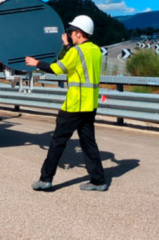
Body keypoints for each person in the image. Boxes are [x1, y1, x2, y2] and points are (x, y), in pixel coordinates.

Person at [25, 15, 107, 192]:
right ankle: (98, 181)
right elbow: (79, 65)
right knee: (88, 144)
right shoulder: (96, 50)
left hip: (73, 106)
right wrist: (68, 46)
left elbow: (58, 68)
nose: (69, 35)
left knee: (57, 143)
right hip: (89, 105)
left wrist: (36, 63)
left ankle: (45, 179)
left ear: (78, 33)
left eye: (71, 32)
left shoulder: (75, 52)